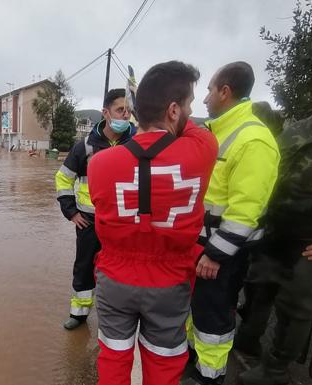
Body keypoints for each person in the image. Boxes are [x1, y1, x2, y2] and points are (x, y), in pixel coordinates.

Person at [89, 61, 217, 385]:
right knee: (164, 363)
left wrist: (142, 112)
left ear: (135, 111)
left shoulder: (99, 163)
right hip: (170, 281)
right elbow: (192, 129)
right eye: (187, 104)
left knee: (114, 359)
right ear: (174, 110)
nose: (191, 110)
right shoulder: (202, 151)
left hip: (115, 278)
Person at [234, 63, 312, 385]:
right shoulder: (297, 128)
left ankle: (276, 372)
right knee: (259, 288)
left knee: (297, 308)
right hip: (275, 232)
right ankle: (246, 345)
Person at [183, 62, 280, 385]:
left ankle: (210, 376)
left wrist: (215, 253)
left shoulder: (253, 140)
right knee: (199, 309)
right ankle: (196, 361)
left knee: (214, 314)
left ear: (225, 92)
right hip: (203, 245)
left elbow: (245, 210)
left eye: (209, 90)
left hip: (223, 251)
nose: (205, 99)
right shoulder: (217, 131)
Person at [55, 88, 136, 330]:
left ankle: (116, 318)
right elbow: (63, 179)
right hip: (89, 222)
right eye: (120, 110)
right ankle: (79, 314)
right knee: (85, 267)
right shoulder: (85, 147)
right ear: (106, 113)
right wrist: (72, 212)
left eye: (128, 111)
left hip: (123, 223)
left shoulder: (137, 145)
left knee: (122, 271)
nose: (125, 115)